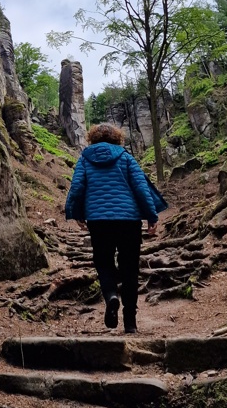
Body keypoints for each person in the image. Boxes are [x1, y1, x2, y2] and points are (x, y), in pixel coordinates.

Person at [65, 123, 164, 334]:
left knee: (104, 263)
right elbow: (141, 187)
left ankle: (111, 295)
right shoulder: (125, 157)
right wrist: (151, 216)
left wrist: (77, 213)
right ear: (117, 138)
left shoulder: (85, 159)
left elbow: (77, 187)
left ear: (93, 139)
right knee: (129, 268)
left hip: (99, 221)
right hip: (128, 221)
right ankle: (130, 323)